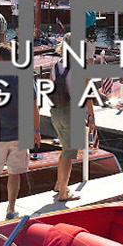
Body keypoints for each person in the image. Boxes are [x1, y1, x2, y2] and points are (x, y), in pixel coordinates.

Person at [0, 44, 41, 219]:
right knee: (14, 173)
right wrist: (36, 130)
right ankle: (11, 209)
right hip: (20, 134)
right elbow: (34, 106)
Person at [49, 33, 94, 202]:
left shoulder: (56, 66)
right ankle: (63, 192)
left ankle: (59, 184)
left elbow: (51, 87)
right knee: (69, 151)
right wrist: (92, 116)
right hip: (72, 112)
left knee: (64, 148)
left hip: (56, 112)